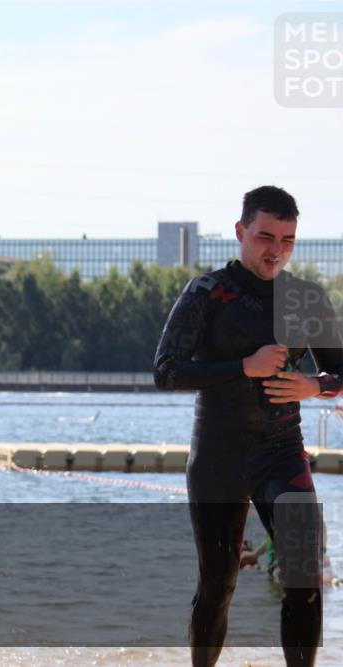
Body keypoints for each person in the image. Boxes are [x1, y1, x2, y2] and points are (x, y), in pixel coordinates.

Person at [154, 186, 343, 667]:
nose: (276, 249)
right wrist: (245, 366)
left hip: (282, 452)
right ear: (241, 232)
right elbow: (167, 371)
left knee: (304, 575)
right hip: (219, 456)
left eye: (288, 239)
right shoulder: (208, 292)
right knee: (218, 583)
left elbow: (339, 374)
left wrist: (312, 386)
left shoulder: (306, 298)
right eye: (265, 236)